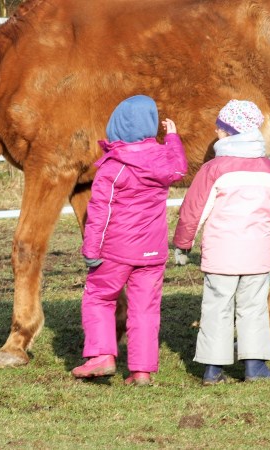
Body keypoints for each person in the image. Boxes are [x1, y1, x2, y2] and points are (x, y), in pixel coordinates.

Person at [172, 99, 270, 385]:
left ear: (230, 133)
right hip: (257, 255)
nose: (217, 130)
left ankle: (213, 370)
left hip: (220, 255)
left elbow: (194, 209)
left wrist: (183, 243)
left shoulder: (214, 169)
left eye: (222, 127)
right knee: (253, 308)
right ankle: (255, 367)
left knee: (217, 307)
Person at [72, 95, 188, 386]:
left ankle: (101, 355)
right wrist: (172, 137)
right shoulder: (162, 162)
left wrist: (91, 248)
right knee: (146, 309)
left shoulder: (113, 168)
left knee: (99, 297)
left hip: (116, 250)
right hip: (153, 252)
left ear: (117, 127)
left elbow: (99, 212)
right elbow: (178, 167)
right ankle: (141, 371)